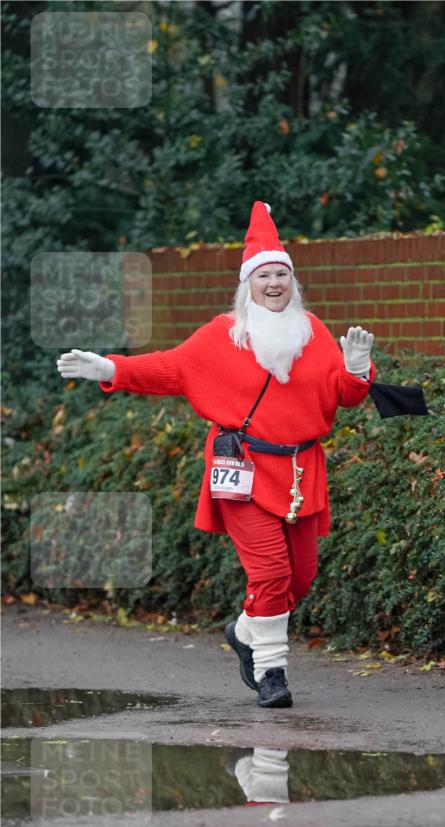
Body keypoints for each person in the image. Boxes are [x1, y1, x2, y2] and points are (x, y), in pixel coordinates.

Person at [57, 201, 375, 710]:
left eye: (282, 275)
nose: (274, 284)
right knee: (270, 574)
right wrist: (109, 368)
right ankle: (272, 673)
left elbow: (345, 394)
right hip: (243, 470)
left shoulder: (312, 332)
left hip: (300, 470)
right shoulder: (221, 335)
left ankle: (246, 629)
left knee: (301, 577)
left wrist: (357, 368)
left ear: (293, 281)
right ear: (247, 284)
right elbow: (170, 368)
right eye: (264, 275)